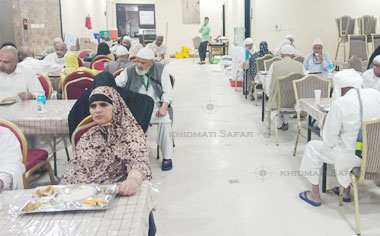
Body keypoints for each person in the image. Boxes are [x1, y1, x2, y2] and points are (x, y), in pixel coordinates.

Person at [299, 69, 380, 207]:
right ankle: (346, 191)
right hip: (376, 156)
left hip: (356, 158)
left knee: (313, 147)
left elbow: (329, 140)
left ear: (340, 88)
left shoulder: (340, 103)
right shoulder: (375, 94)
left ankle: (315, 195)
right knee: (349, 142)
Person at [115, 48, 174, 171]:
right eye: (137, 61)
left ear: (151, 63)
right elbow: (116, 84)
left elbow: (168, 92)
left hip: (156, 107)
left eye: (143, 63)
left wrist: (164, 108)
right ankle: (131, 156)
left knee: (166, 121)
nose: (139, 65)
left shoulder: (161, 69)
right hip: (135, 108)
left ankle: (167, 157)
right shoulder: (130, 70)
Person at [68, 71, 154, 137]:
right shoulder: (119, 93)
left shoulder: (87, 95)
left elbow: (73, 116)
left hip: (91, 141)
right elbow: (147, 101)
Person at [266, 45, 305, 130]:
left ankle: (280, 123)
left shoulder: (274, 65)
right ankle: (285, 121)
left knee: (279, 94)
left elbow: (268, 83)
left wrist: (269, 95)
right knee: (289, 93)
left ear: (281, 55)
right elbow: (305, 83)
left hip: (278, 102)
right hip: (295, 102)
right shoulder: (300, 66)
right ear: (293, 55)